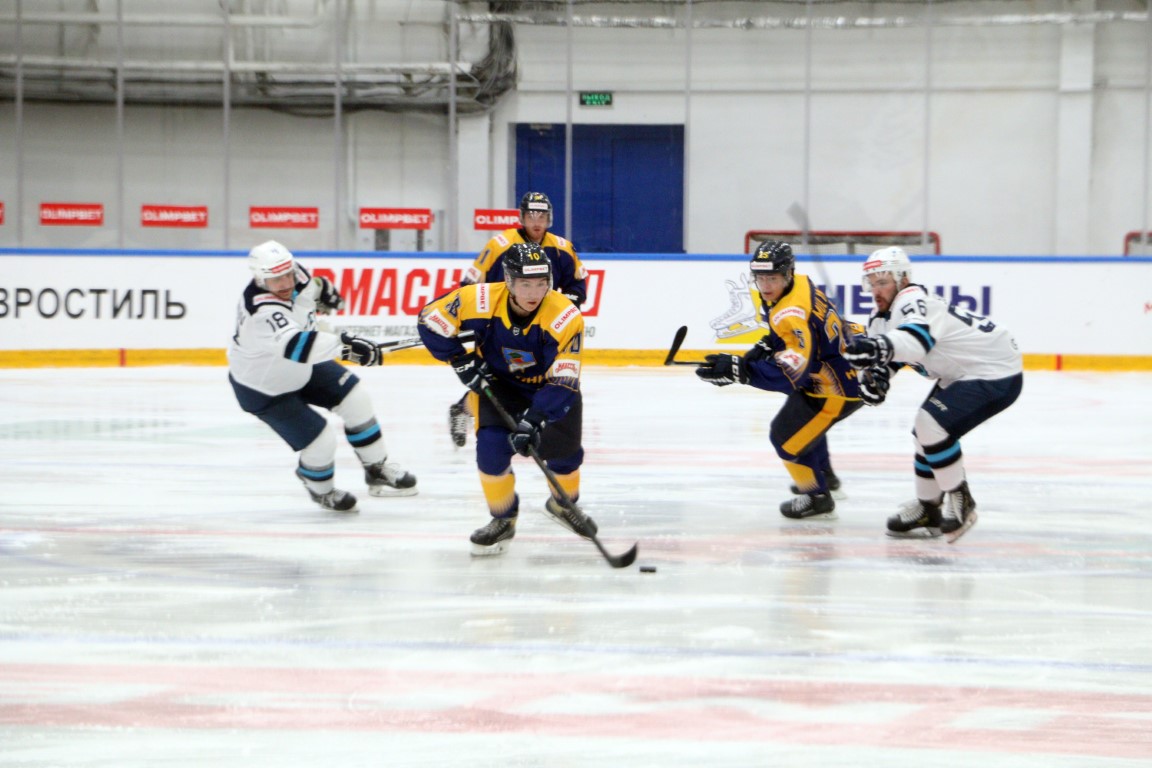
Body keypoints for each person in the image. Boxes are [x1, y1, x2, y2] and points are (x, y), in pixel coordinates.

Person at [418, 241, 595, 556]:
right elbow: (431, 319)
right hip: (499, 385)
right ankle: (503, 518)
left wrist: (535, 419)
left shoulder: (566, 316)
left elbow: (565, 378)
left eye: (541, 284)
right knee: (490, 451)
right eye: (525, 284)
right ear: (509, 281)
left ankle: (561, 505)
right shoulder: (480, 298)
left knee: (564, 457)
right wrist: (459, 360)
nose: (533, 293)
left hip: (549, 390)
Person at [844, 246, 1023, 542]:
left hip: (994, 370)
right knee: (923, 433)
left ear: (902, 279)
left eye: (883, 281)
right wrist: (877, 378)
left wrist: (875, 350)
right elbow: (896, 355)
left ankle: (961, 501)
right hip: (965, 370)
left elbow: (916, 341)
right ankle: (929, 508)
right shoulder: (880, 317)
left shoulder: (913, 300)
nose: (876, 290)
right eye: (872, 283)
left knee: (931, 426)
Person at [228, 240, 417, 513]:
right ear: (259, 279)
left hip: (301, 368)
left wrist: (324, 290)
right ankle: (320, 489)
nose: (284, 284)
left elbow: (312, 285)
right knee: (322, 441)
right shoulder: (261, 311)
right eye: (275, 280)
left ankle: (376, 468)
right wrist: (346, 346)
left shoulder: (296, 275)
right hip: (264, 387)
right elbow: (296, 345)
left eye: (287, 275)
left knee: (357, 399)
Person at [695, 241, 864, 520]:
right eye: (760, 277)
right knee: (804, 425)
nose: (765, 285)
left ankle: (816, 495)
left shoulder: (791, 313)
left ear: (786, 274)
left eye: (771, 278)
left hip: (840, 385)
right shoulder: (798, 283)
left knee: (785, 438)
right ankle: (824, 474)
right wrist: (766, 346)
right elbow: (798, 335)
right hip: (847, 361)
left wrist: (742, 371)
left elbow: (793, 373)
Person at [447, 191, 589, 449]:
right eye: (531, 215)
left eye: (543, 216)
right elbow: (469, 285)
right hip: (499, 325)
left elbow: (577, 285)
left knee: (549, 379)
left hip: (542, 328)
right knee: (497, 379)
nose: (537, 221)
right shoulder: (499, 244)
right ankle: (463, 409)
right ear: (522, 217)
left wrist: (561, 305)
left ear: (550, 219)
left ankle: (538, 422)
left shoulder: (562, 248)